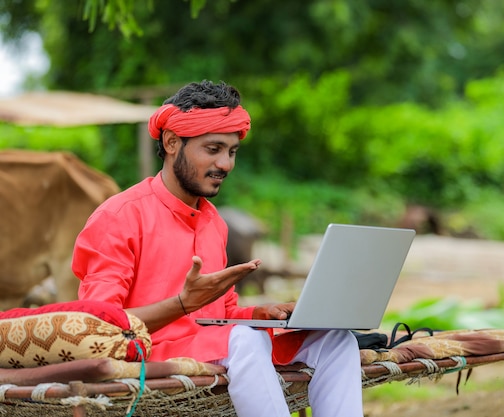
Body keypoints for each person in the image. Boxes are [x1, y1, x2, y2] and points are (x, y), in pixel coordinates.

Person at [72, 80, 364, 417]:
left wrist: (258, 314)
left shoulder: (214, 223)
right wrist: (181, 305)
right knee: (244, 340)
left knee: (337, 340)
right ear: (171, 143)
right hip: (149, 355)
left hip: (216, 347)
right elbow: (98, 328)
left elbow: (219, 317)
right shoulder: (118, 217)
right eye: (213, 149)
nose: (226, 164)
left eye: (232, 151)